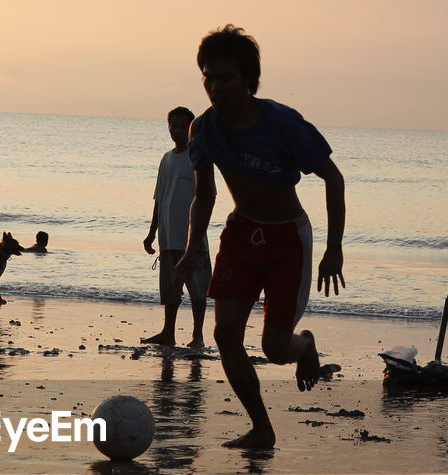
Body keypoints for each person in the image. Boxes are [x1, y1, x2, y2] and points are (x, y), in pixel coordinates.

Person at [174, 25, 345, 449]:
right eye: (208, 77)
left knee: (273, 347)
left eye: (225, 78)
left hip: (288, 240)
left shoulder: (283, 124)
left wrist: (333, 248)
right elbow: (205, 194)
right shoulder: (204, 129)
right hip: (241, 233)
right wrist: (192, 247)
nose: (215, 87)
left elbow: (333, 179)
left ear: (248, 81)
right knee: (224, 335)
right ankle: (261, 429)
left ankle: (303, 345)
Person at [143, 105, 209, 348]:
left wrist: (197, 234)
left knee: (197, 289)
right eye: (174, 125)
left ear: (192, 129)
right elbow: (159, 199)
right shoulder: (166, 159)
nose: (178, 130)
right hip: (168, 238)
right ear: (168, 127)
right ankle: (168, 332)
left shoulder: (196, 157)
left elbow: (205, 196)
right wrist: (152, 233)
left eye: (184, 126)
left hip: (193, 240)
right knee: (171, 289)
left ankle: (197, 335)